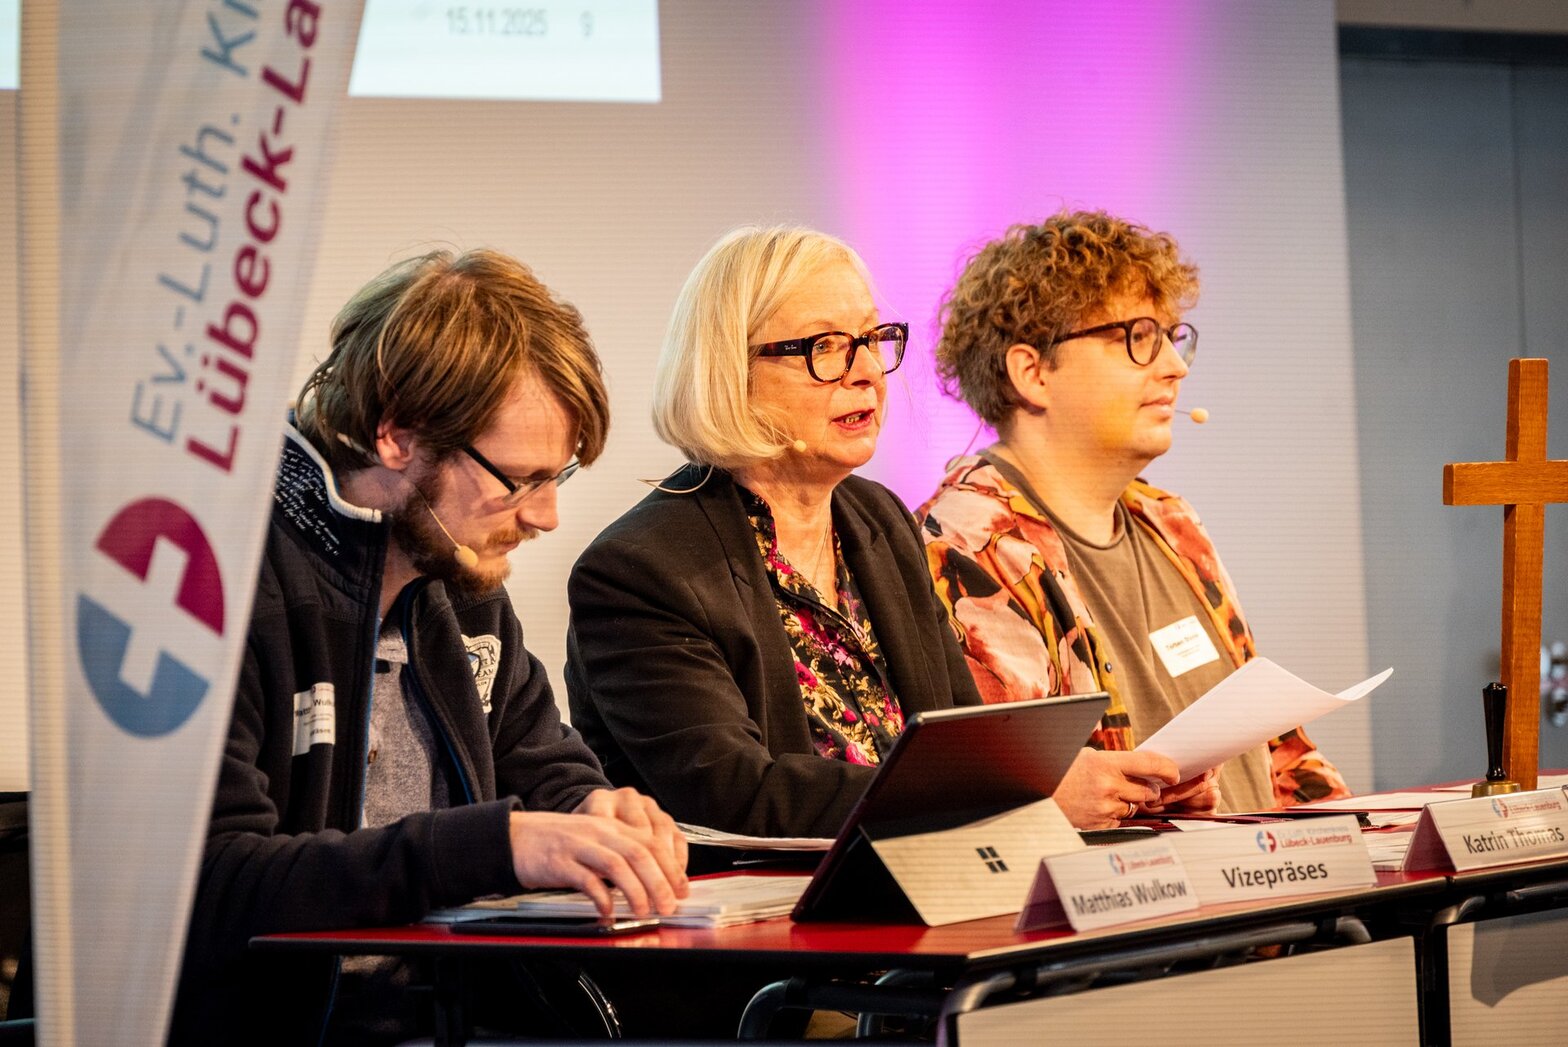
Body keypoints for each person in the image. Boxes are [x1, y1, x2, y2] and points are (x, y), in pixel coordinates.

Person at [170, 249, 688, 1045]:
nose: (544, 515)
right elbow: (209, 883)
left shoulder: (462, 583)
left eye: (558, 478)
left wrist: (598, 811)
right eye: (519, 479)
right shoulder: (217, 581)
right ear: (397, 435)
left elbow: (543, 760)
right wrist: (491, 845)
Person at [917, 210, 1350, 830]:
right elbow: (1023, 803)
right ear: (1032, 373)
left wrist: (1353, 842)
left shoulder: (1170, 521)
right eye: (1137, 337)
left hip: (1257, 886)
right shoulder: (964, 547)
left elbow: (1281, 751)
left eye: (1172, 337)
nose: (1175, 367)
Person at [565, 226, 982, 839]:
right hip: (761, 893)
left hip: (923, 871)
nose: (868, 371)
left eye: (871, 339)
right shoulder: (639, 569)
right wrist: (975, 795)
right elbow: (735, 795)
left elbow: (961, 735)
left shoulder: (880, 518)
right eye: (825, 346)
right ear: (731, 372)